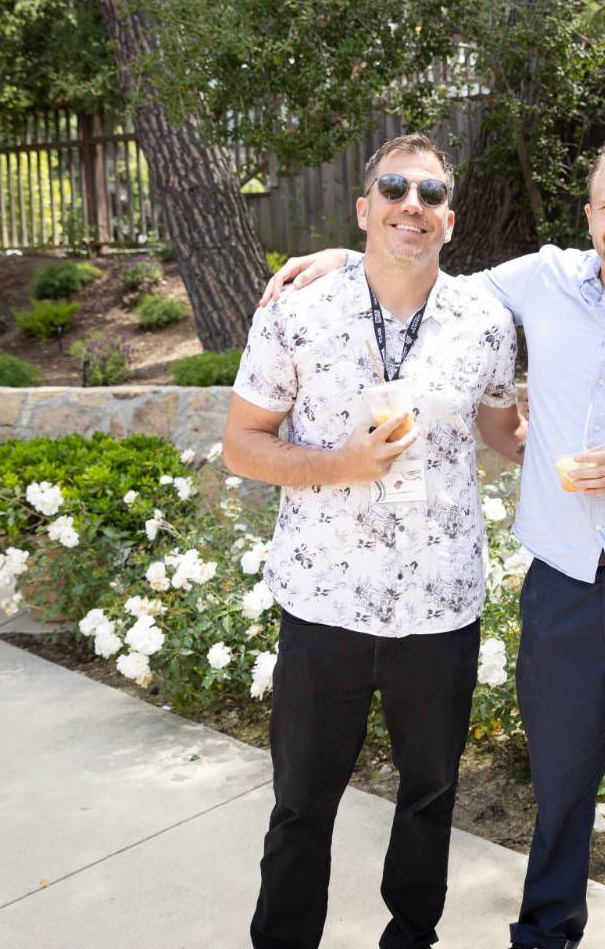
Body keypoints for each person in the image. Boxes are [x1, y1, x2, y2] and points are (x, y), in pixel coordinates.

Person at [262, 133, 605, 949]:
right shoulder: (537, 282)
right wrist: (347, 250)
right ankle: (546, 939)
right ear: (589, 214)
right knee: (560, 790)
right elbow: (419, 267)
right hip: (562, 591)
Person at [223, 132, 526, 949]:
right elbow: (243, 443)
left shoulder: (486, 320)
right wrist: (341, 463)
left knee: (430, 793)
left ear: (450, 221)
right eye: (394, 189)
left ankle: (410, 939)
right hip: (325, 600)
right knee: (301, 803)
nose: (411, 206)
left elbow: (509, 430)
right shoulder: (298, 310)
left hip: (441, 603)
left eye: (429, 195)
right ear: (364, 208)